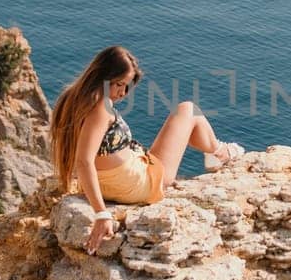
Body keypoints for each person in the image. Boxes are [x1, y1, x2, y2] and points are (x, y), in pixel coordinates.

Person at [48, 45, 243, 255]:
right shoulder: (101, 108)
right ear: (102, 76)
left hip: (114, 181)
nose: (122, 93)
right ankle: (219, 151)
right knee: (188, 110)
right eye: (118, 84)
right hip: (139, 183)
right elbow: (84, 161)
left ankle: (213, 152)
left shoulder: (73, 97)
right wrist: (101, 214)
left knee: (189, 129)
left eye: (126, 86)